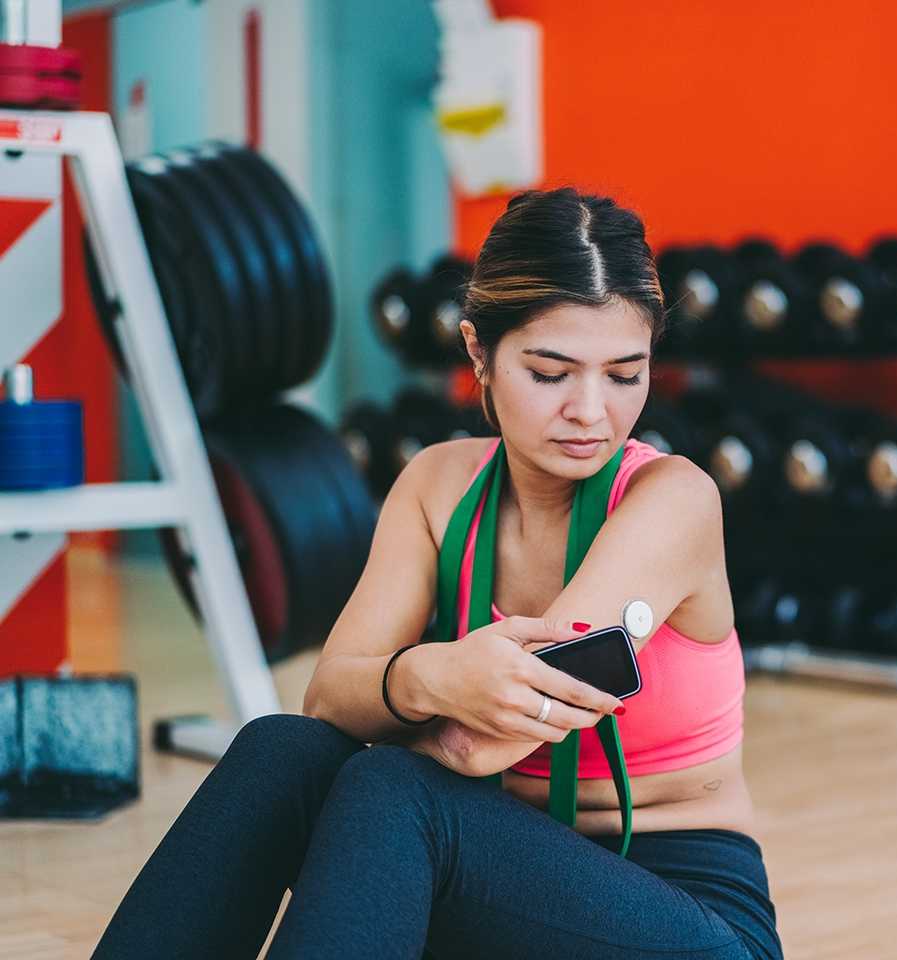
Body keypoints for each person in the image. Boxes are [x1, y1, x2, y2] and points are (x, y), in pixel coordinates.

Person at [93, 187, 783, 960]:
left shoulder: (673, 501)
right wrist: (432, 674)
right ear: (477, 354)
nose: (591, 411)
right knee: (280, 751)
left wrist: (389, 703)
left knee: (390, 788)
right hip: (499, 881)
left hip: (682, 917)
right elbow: (326, 703)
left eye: (624, 375)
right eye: (551, 373)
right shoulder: (437, 484)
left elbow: (487, 744)